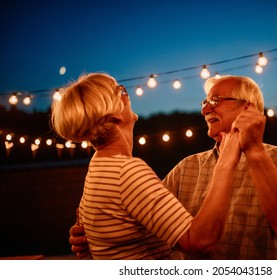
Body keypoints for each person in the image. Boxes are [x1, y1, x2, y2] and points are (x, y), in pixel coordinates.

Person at [69, 75, 277, 259]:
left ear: (247, 107)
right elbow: (142, 219)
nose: (205, 109)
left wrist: (255, 151)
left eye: (215, 100)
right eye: (205, 102)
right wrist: (95, 234)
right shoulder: (187, 167)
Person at [51, 72, 241, 260]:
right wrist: (225, 163)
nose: (127, 94)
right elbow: (200, 242)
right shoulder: (127, 172)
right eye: (121, 91)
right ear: (115, 114)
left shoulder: (97, 167)